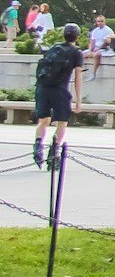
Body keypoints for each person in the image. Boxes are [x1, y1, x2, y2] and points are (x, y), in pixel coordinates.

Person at [30, 20, 83, 171]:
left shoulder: (54, 48)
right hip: (59, 89)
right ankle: (54, 154)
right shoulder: (77, 52)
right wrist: (78, 100)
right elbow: (78, 77)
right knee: (62, 122)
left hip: (42, 87)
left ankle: (38, 145)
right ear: (77, 37)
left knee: (43, 120)